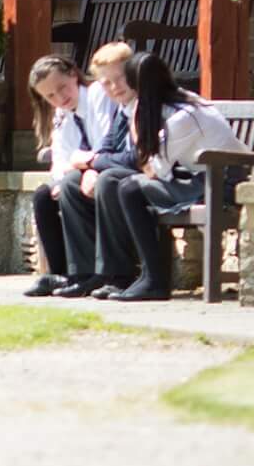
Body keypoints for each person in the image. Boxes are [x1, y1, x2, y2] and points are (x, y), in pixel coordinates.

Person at [89, 51, 239, 302]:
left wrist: (137, 130)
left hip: (220, 184)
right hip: (202, 177)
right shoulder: (177, 103)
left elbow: (153, 170)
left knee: (130, 188)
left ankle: (154, 281)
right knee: (125, 184)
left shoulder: (182, 117)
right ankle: (140, 276)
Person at [21, 53, 124, 297]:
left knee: (69, 184)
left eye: (62, 88)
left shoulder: (98, 95)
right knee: (44, 196)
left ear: (74, 75)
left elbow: (103, 143)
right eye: (50, 96)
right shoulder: (62, 114)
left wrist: (82, 168)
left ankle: (86, 273)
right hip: (84, 170)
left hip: (107, 167)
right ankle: (61, 274)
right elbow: (60, 159)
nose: (60, 98)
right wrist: (61, 175)